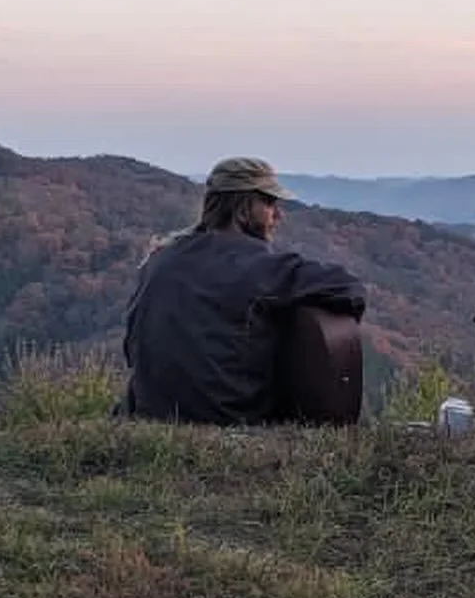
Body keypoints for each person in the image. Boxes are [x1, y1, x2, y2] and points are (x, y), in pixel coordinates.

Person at [120, 157, 366, 426]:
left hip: (149, 415)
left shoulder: (159, 259)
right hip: (228, 421)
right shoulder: (259, 266)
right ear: (243, 207)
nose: (278, 215)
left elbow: (131, 346)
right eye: (270, 203)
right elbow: (348, 287)